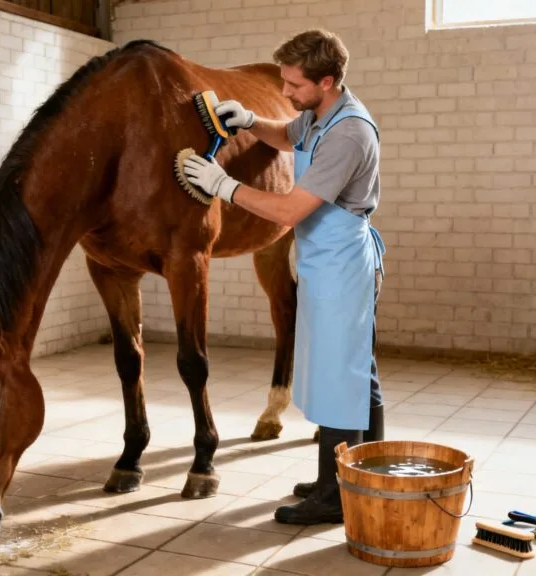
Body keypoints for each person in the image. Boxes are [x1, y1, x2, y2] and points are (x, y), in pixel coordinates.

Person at [181, 28, 385, 525]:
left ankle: (335, 499)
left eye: (294, 85)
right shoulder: (319, 114)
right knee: (356, 367)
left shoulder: (349, 132)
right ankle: (362, 470)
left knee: (340, 374)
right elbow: (286, 133)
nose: (287, 93)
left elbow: (291, 209)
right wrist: (250, 122)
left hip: (340, 259)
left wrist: (223, 187)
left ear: (327, 80)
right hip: (324, 256)